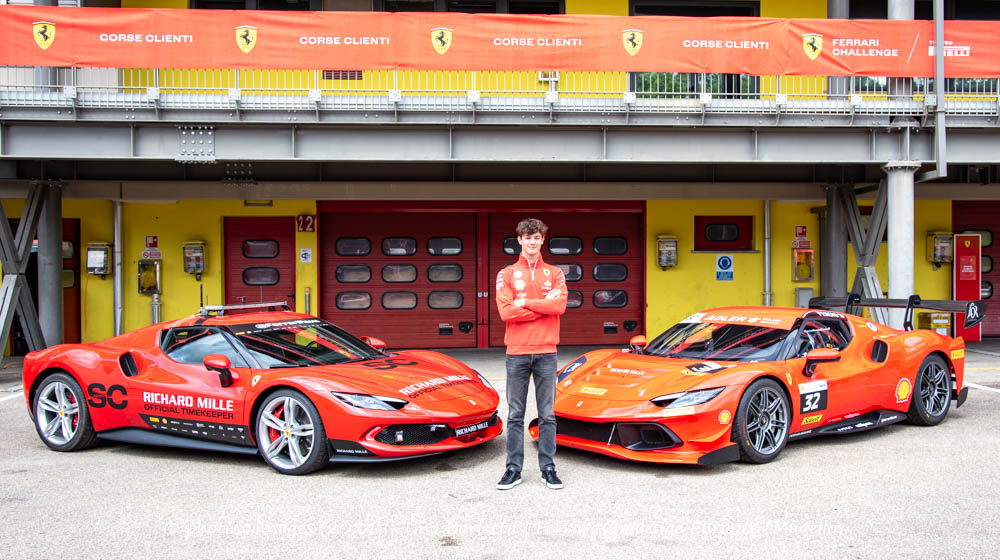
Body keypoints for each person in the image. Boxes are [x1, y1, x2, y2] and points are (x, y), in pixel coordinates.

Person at [494, 218, 568, 490]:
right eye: (528, 237)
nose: (532, 241)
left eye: (537, 237)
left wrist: (523, 302)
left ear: (542, 240)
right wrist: (542, 307)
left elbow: (559, 306)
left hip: (547, 352)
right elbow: (506, 312)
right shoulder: (506, 274)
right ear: (520, 240)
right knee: (515, 414)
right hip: (517, 353)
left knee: (547, 414)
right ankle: (513, 469)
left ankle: (548, 467)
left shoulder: (556, 273)